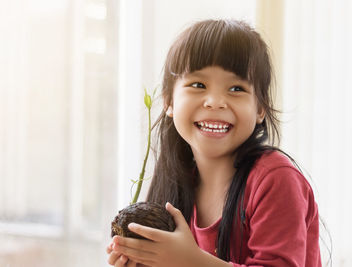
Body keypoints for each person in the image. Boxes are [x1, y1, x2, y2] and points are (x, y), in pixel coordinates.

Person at [107, 19, 321, 267]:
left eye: (236, 88)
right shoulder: (175, 180)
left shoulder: (276, 179)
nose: (215, 101)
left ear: (260, 108)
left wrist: (190, 261)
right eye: (198, 85)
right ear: (169, 102)